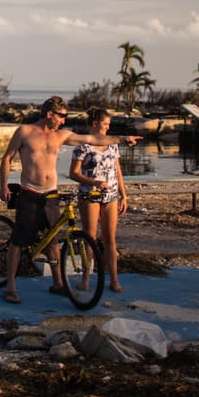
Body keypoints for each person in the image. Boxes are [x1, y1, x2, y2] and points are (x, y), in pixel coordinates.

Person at [0, 96, 136, 304]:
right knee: (18, 240)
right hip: (29, 192)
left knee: (53, 240)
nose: (64, 121)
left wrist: (122, 139)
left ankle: (58, 283)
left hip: (51, 194)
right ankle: (10, 286)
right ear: (49, 114)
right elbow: (7, 158)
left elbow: (94, 140)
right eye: (61, 116)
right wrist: (3, 185)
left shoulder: (60, 136)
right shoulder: (24, 132)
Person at [68, 107, 129, 292]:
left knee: (110, 239)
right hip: (89, 195)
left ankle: (114, 279)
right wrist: (93, 182)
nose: (107, 128)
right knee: (90, 238)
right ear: (95, 124)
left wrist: (123, 195)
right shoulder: (82, 146)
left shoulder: (112, 144)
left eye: (109, 125)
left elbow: (117, 170)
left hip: (110, 196)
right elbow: (73, 173)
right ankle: (86, 278)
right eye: (105, 125)